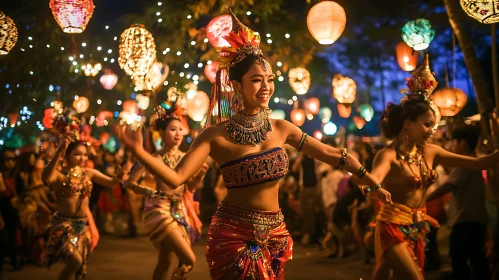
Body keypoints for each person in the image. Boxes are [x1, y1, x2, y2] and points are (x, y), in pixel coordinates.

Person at [116, 9, 389, 280]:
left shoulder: (282, 128)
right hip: (233, 234)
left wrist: (371, 181)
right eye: (256, 80)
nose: (266, 87)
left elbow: (332, 154)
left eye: (269, 80)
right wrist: (139, 151)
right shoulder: (215, 136)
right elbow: (176, 178)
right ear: (236, 86)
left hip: (276, 235)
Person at [370, 55, 499, 280]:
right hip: (392, 225)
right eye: (427, 124)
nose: (431, 130)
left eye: (434, 125)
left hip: (418, 227)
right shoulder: (387, 155)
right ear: (408, 123)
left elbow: (480, 163)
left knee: (384, 275)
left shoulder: (431, 152)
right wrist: (371, 186)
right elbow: (374, 178)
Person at [124, 100, 207, 280]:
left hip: (179, 210)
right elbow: (128, 183)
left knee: (166, 262)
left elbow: (188, 189)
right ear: (161, 133)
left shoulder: (187, 158)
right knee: (189, 259)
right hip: (159, 211)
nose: (178, 133)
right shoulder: (153, 158)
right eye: (172, 129)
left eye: (180, 129)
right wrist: (149, 192)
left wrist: (199, 176)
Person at [42, 134, 125, 280]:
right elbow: (46, 177)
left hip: (81, 226)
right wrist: (59, 150)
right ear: (66, 156)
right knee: (76, 261)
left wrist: (118, 177)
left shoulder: (89, 174)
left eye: (85, 155)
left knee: (77, 267)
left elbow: (111, 183)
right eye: (77, 154)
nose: (82, 158)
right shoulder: (60, 176)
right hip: (63, 225)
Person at [427, 124, 491, 279]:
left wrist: (423, 199)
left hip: (465, 220)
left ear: (462, 143)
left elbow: (447, 187)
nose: (452, 146)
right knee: (477, 259)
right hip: (475, 219)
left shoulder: (465, 164)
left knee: (459, 259)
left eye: (454, 142)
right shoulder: (472, 161)